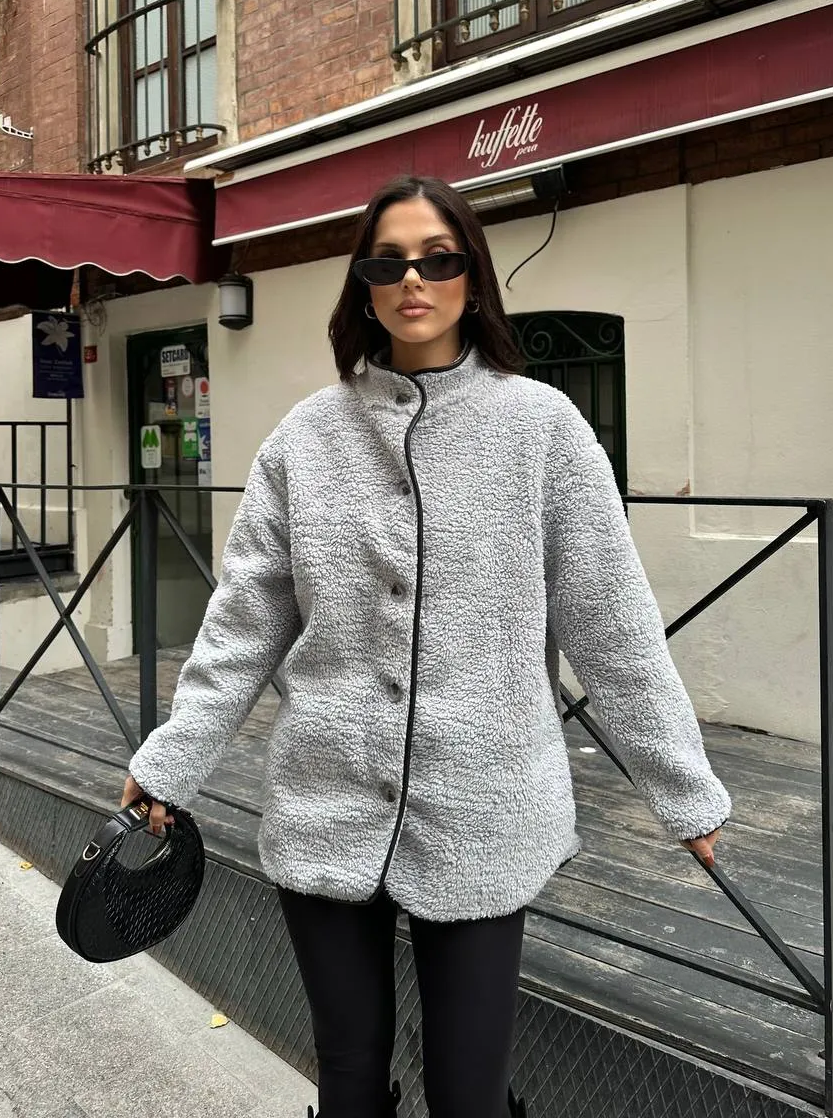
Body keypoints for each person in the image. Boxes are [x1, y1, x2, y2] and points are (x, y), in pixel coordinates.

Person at [121, 174, 731, 1118]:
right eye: (387, 263)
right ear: (362, 287)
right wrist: (170, 759)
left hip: (485, 805)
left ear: (472, 277)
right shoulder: (304, 439)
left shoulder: (542, 429)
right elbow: (243, 623)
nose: (413, 280)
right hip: (325, 799)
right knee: (347, 1080)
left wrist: (680, 783)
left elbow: (610, 623)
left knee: (468, 1093)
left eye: (438, 260)